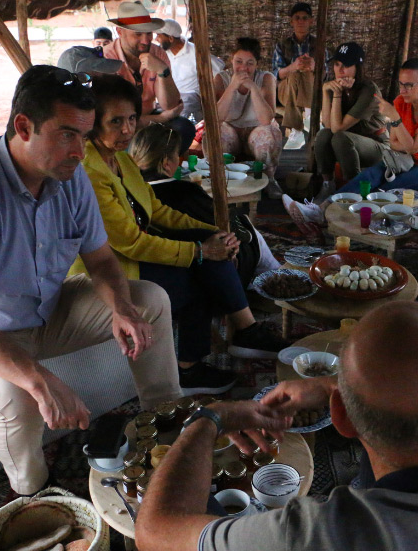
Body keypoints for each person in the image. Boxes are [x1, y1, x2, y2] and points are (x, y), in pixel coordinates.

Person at [136, 301, 418, 551]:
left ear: (340, 418)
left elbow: (155, 533)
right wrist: (333, 388)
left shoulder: (320, 533)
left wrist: (209, 418)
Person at [0, 65, 182, 495]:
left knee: (150, 299)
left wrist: (122, 310)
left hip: (47, 310)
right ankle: (33, 495)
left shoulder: (69, 175)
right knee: (17, 395)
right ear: (23, 126)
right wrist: (41, 380)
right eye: (67, 134)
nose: (80, 149)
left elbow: (103, 262)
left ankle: (165, 426)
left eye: (85, 135)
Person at [69, 75, 287, 393]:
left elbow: (157, 211)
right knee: (196, 271)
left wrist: (212, 232)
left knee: (210, 245)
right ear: (92, 123)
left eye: (131, 119)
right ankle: (202, 360)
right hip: (110, 269)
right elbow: (130, 241)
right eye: (115, 121)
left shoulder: (120, 160)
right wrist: (199, 251)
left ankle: (239, 334)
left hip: (132, 255)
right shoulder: (90, 171)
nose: (127, 129)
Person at [283, 58, 418, 230]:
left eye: (409, 85)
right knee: (369, 176)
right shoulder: (400, 102)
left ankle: (356, 224)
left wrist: (396, 121)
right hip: (403, 160)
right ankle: (319, 210)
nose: (403, 90)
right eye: (401, 84)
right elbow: (394, 144)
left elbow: (412, 147)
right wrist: (409, 141)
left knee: (387, 189)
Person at [128, 122, 281, 284]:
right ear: (166, 163)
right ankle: (275, 274)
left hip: (154, 269)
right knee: (243, 224)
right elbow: (217, 225)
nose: (178, 161)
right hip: (204, 265)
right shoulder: (185, 193)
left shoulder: (129, 190)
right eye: (176, 156)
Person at [103, 1, 196, 155]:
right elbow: (116, 117)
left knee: (183, 128)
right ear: (120, 32)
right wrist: (162, 118)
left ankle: (153, 167)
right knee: (127, 140)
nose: (146, 40)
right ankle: (150, 167)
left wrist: (162, 70)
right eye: (138, 34)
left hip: (149, 117)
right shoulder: (107, 59)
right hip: (121, 124)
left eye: (149, 33)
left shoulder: (157, 53)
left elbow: (170, 105)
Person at [310, 41, 390, 204]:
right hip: (350, 142)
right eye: (337, 64)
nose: (340, 70)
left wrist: (337, 95)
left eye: (346, 65)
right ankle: (328, 185)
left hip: (377, 145)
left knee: (340, 137)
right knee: (323, 135)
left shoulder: (369, 90)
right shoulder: (337, 85)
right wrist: (326, 92)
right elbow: (327, 125)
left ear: (357, 68)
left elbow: (338, 128)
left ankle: (353, 192)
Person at [214, 37, 284, 199]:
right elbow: (216, 116)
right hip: (231, 132)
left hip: (256, 132)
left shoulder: (266, 79)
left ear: (257, 64)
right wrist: (232, 87)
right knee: (214, 132)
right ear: (231, 60)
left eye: (250, 63)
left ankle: (269, 178)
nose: (243, 68)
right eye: (239, 61)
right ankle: (221, 177)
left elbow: (266, 119)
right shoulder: (221, 79)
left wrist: (253, 88)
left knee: (268, 132)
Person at [272, 1, 329, 133]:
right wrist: (293, 66)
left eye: (305, 18)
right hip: (285, 92)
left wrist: (315, 67)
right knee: (295, 74)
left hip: (314, 90)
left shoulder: (319, 45)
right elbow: (276, 75)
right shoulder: (282, 45)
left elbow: (326, 76)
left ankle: (294, 130)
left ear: (311, 21)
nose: (301, 21)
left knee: (304, 74)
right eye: (297, 18)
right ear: (291, 22)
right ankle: (310, 118)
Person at [155, 19, 225, 121]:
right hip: (168, 95)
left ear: (170, 38)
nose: (156, 39)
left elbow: (220, 71)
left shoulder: (196, 53)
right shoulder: (162, 53)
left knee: (181, 116)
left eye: (159, 36)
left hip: (189, 96)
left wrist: (211, 99)